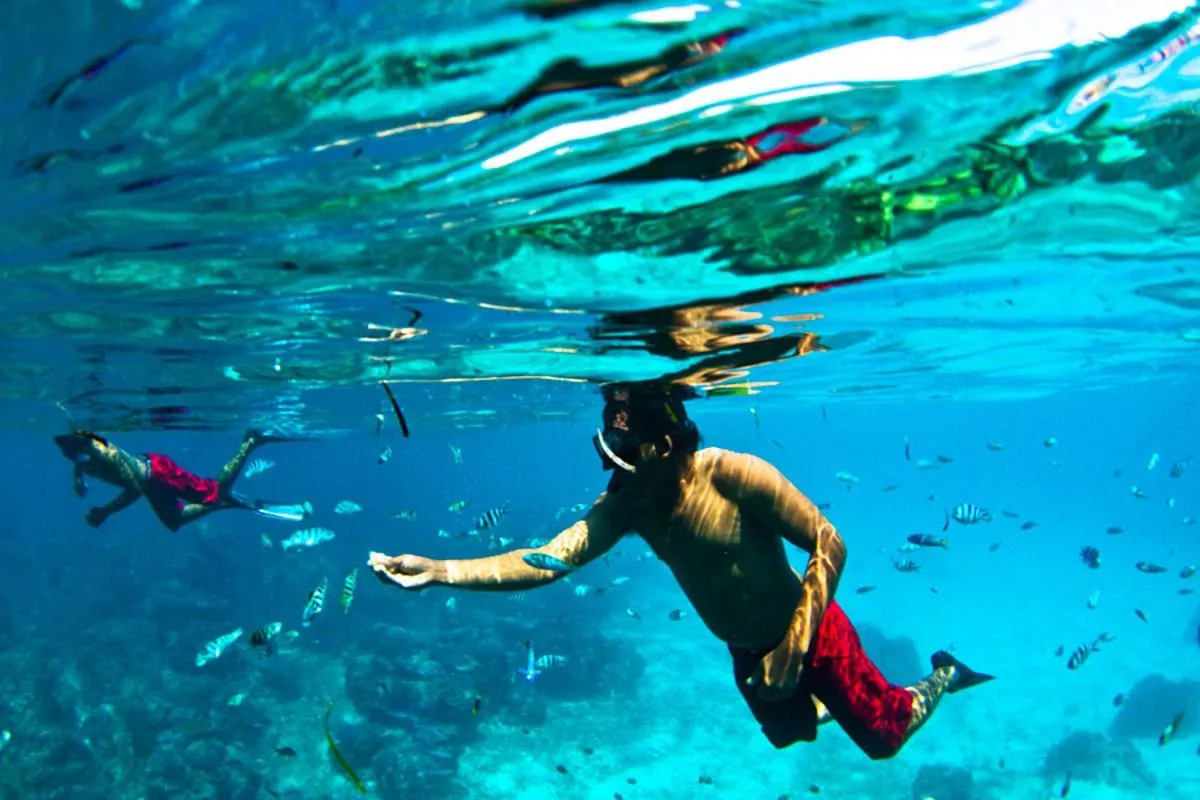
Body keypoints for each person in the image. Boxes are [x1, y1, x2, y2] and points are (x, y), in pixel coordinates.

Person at [369, 382, 993, 759]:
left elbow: (830, 541)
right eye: (608, 455)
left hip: (814, 635)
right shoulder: (630, 504)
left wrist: (798, 643)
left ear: (666, 445)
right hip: (750, 654)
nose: (616, 472)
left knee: (884, 738)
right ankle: (829, 703)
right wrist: (440, 569)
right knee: (792, 734)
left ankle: (941, 675)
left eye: (626, 455)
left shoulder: (734, 474)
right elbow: (550, 559)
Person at [53, 428, 311, 532]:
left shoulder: (106, 457)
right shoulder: (81, 455)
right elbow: (79, 461)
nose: (73, 460)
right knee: (174, 522)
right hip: (150, 481)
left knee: (213, 493)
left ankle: (250, 443)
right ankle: (223, 502)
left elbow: (134, 490)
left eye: (75, 455)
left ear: (87, 450)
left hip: (157, 474)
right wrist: (79, 479)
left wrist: (105, 512)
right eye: (68, 456)